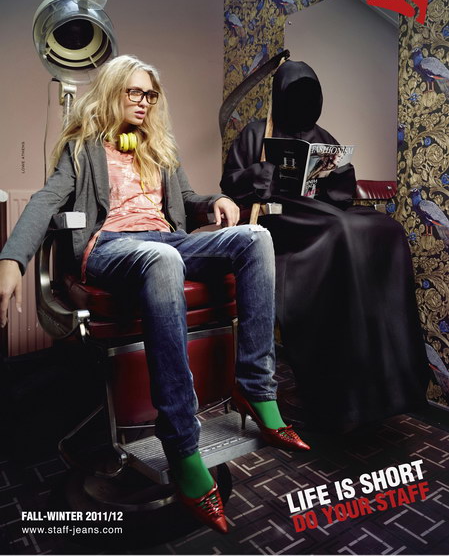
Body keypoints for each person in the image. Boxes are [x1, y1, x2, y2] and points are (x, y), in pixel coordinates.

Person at [0, 55, 310, 534]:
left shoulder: (160, 148)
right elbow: (46, 200)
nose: (144, 102)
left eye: (150, 94)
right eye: (134, 92)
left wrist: (217, 200)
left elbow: (188, 201)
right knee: (163, 258)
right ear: (111, 92)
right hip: (111, 247)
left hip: (167, 239)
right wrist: (11, 260)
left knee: (256, 238)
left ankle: (256, 389)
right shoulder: (83, 147)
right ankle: (182, 442)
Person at [221, 59, 429, 433]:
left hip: (320, 212)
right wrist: (259, 173)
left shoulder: (322, 136)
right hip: (282, 220)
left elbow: (341, 194)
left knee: (388, 230)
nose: (301, 103)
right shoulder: (256, 134)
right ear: (280, 96)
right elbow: (230, 183)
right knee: (344, 230)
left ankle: (390, 376)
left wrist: (336, 173)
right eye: (294, 95)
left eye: (309, 96)